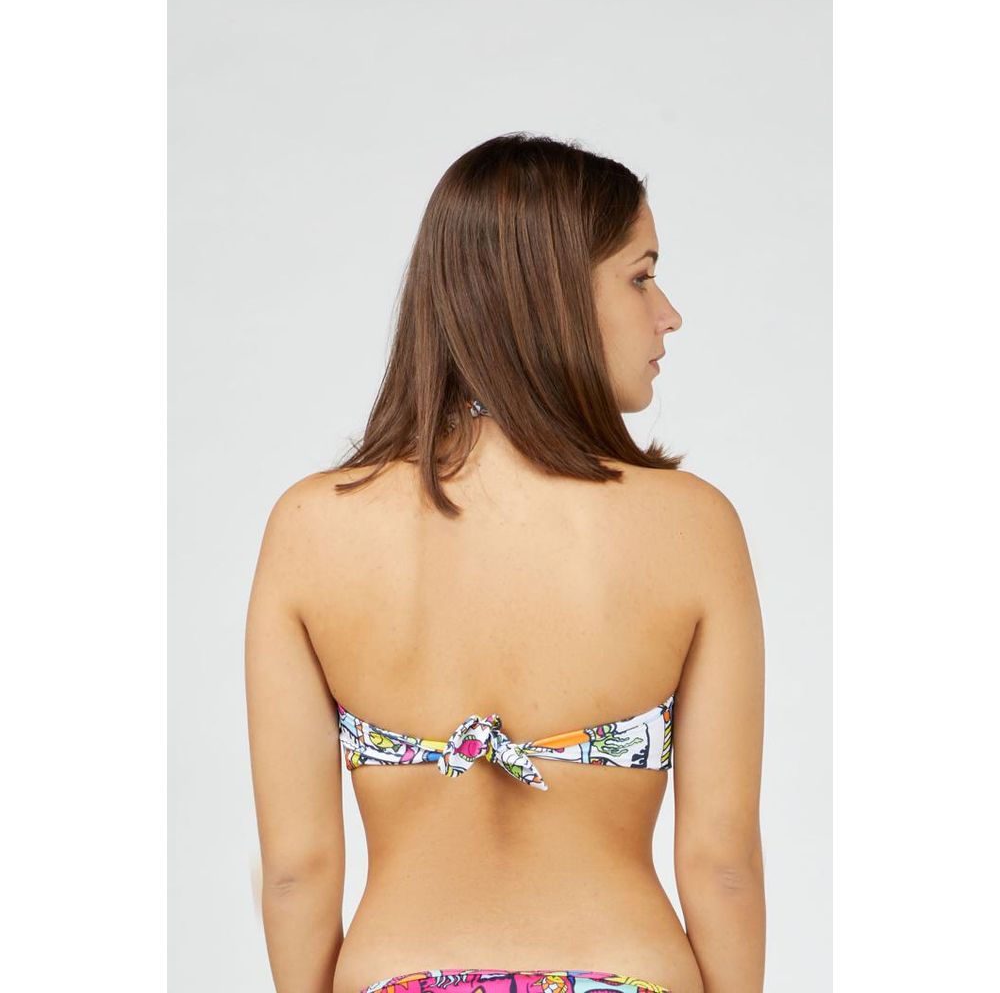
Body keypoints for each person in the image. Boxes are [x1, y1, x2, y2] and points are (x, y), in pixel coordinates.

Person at [245, 133, 766, 993]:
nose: (667, 313)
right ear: (552, 294)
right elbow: (722, 865)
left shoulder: (311, 527)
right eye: (640, 277)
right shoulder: (692, 525)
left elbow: (297, 870)